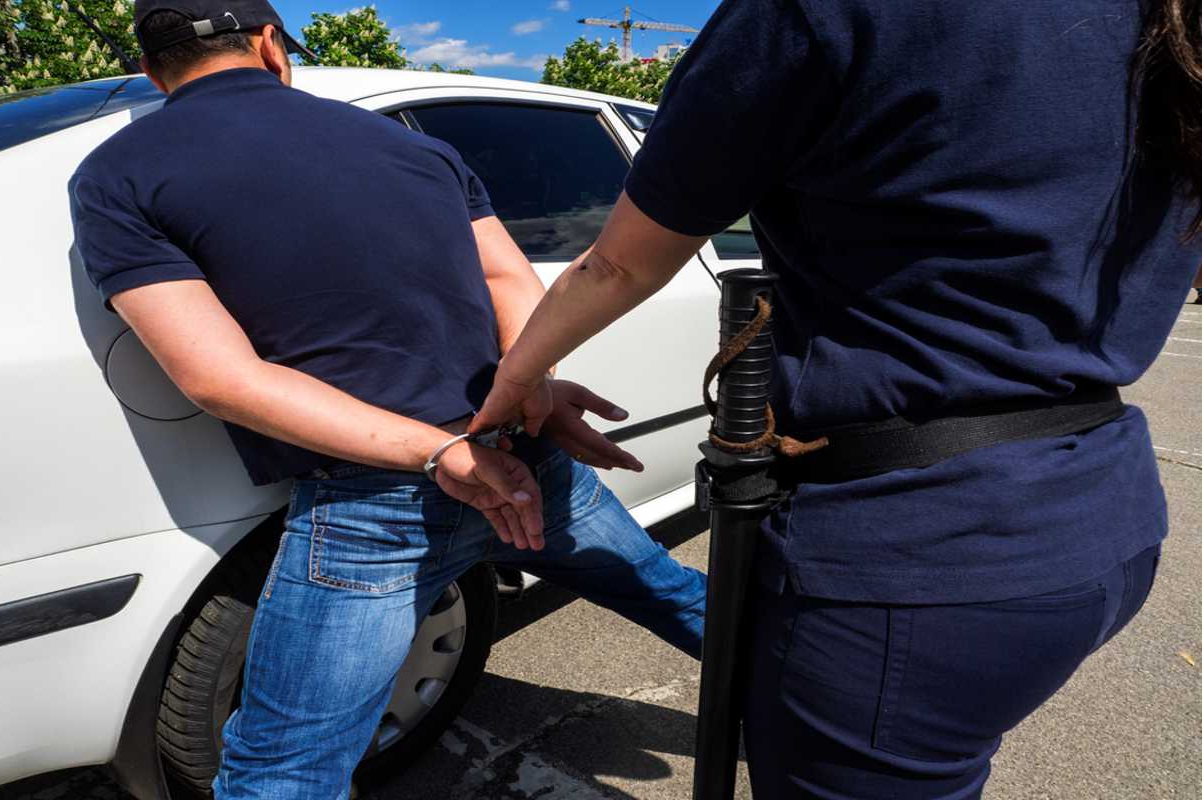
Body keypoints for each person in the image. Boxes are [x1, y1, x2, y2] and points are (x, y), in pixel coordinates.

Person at [473, 1, 1202, 797]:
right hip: (1107, 515)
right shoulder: (1163, 25)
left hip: (918, 559)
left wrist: (517, 379)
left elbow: (616, 266)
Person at [66, 1, 707, 797]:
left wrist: (439, 454)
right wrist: (530, 390)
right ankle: (835, 714)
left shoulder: (117, 173)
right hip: (518, 453)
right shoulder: (417, 146)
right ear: (271, 45)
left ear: (150, 71)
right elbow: (510, 279)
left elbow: (220, 377)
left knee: (285, 773)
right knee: (679, 597)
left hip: (379, 504)